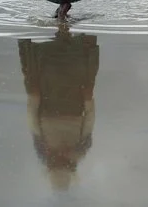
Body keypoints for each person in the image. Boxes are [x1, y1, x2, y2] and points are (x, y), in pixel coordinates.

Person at [18, 26, 99, 191]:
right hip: (72, 93)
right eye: (63, 163)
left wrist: (33, 97)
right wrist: (89, 98)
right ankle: (64, 25)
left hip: (49, 94)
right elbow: (90, 119)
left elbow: (32, 120)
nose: (61, 158)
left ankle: (62, 24)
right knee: (73, 58)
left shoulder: (42, 149)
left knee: (49, 61)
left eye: (58, 163)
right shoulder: (81, 149)